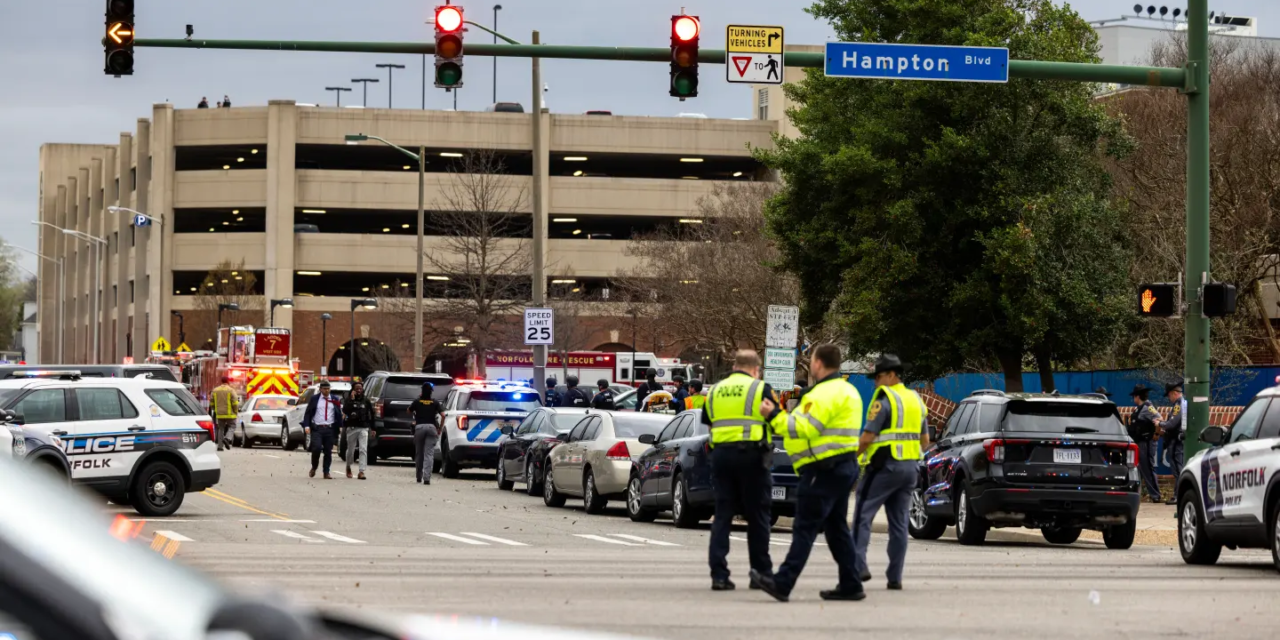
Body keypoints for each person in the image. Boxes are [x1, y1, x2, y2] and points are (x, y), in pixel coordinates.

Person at [751, 344, 865, 603]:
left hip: (822, 469)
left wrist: (773, 414)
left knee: (804, 527)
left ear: (818, 363)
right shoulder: (849, 391)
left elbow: (802, 427)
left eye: (812, 360)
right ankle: (851, 583)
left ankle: (783, 582)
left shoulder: (822, 394)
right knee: (836, 528)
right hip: (845, 466)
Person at [702, 350, 785, 592]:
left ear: (734, 366)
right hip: (752, 456)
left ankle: (719, 575)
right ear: (756, 369)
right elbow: (775, 421)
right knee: (758, 515)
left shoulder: (715, 390)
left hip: (721, 456)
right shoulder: (760, 388)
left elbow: (710, 424)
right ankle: (760, 572)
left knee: (723, 514)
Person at [851, 354, 929, 591]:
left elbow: (867, 437)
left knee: (862, 515)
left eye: (878, 377)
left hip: (884, 467)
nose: (875, 382)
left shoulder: (884, 400)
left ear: (892, 375)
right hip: (910, 469)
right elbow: (925, 441)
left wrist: (851, 458)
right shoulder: (916, 400)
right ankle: (895, 577)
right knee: (899, 524)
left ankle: (857, 566)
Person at [1128, 384, 1163, 503]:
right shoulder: (1139, 408)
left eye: (1134, 396)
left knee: (1147, 468)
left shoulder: (1148, 407)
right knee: (1140, 469)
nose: (1133, 398)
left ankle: (1155, 495)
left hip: (1146, 442)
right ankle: (1140, 493)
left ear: (1137, 396)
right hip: (1139, 441)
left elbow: (1159, 418)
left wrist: (1156, 434)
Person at [302, 381, 344, 479]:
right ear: (320, 389)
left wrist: (340, 425)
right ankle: (314, 467)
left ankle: (326, 472)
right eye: (325, 389)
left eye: (328, 389)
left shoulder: (334, 399)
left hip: (330, 429)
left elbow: (338, 413)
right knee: (316, 448)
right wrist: (307, 426)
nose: (327, 391)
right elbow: (308, 413)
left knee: (328, 451)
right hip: (317, 428)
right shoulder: (314, 399)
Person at [1160, 381, 1187, 503]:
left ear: (1174, 393)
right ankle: (1178, 495)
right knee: (1178, 469)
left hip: (1176, 442)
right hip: (1177, 441)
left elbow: (1171, 424)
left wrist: (1160, 423)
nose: (1169, 398)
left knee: (1178, 470)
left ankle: (1178, 496)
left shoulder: (1178, 405)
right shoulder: (1183, 403)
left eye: (1169, 395)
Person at [343, 380, 375, 480]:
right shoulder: (349, 400)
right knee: (350, 450)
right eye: (357, 389)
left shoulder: (366, 401)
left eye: (360, 389)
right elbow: (345, 410)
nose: (359, 390)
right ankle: (348, 466)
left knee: (363, 449)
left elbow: (372, 414)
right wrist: (351, 399)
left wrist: (373, 428)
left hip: (363, 428)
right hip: (352, 427)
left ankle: (361, 471)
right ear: (353, 390)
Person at [412, 382, 442, 484]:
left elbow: (409, 410)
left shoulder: (417, 401)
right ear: (431, 392)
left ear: (422, 391)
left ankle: (418, 477)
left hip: (419, 428)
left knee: (419, 453)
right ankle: (427, 478)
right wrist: (440, 428)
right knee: (429, 454)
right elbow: (443, 414)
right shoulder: (435, 402)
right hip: (431, 428)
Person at [210, 376, 239, 451]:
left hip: (219, 414)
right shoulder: (231, 390)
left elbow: (212, 402)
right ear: (228, 381)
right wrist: (236, 411)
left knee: (221, 429)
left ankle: (220, 446)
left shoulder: (215, 390)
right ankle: (227, 438)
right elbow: (235, 403)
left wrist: (215, 409)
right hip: (230, 414)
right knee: (232, 426)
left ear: (221, 381)